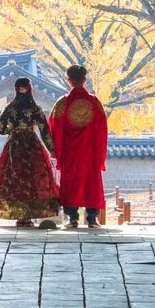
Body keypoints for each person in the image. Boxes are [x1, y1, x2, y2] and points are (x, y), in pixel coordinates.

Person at [0, 78, 62, 228]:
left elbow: (0, 129)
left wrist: (12, 130)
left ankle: (19, 216)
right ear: (30, 89)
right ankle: (29, 216)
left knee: (15, 178)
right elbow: (44, 131)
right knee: (32, 178)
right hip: (32, 146)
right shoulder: (35, 109)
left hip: (14, 147)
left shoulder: (9, 108)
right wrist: (52, 150)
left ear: (16, 89)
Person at [47, 64, 109, 229]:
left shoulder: (63, 102)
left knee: (71, 182)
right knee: (91, 182)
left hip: (70, 153)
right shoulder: (94, 102)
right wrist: (100, 152)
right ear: (84, 80)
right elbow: (102, 128)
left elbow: (53, 127)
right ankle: (92, 219)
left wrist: (56, 150)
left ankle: (72, 218)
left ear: (69, 81)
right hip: (90, 152)